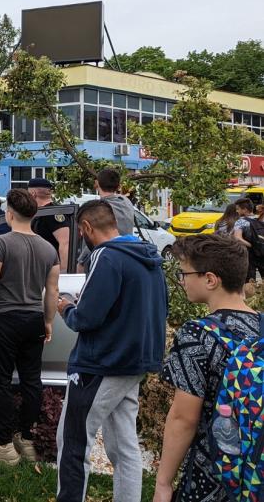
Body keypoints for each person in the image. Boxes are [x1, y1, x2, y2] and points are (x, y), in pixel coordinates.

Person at [55, 200, 168, 502]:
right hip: (135, 362)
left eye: (81, 231)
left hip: (101, 363)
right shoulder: (148, 256)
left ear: (88, 227)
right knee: (124, 446)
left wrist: (66, 307)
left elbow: (87, 318)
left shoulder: (106, 255)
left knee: (73, 440)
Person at [153, 234, 261, 502]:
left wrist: (164, 484)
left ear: (210, 280)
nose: (182, 280)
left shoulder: (197, 335)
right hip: (256, 469)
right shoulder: (261, 327)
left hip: (213, 471)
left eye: (185, 273)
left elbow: (184, 418)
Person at [0, 188, 60, 464]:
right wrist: (47, 321)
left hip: (4, 320)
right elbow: (53, 291)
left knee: (1, 382)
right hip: (33, 319)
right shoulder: (48, 248)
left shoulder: (2, 242)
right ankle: (28, 440)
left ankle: (3, 445)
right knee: (32, 380)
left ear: (9, 213)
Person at [77, 167, 136, 271]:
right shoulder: (126, 202)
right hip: (128, 256)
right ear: (118, 186)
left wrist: (82, 262)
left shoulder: (100, 209)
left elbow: (93, 240)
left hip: (102, 260)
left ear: (96, 184)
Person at [29, 177, 70, 263]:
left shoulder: (52, 213)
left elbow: (65, 243)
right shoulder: (42, 213)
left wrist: (64, 273)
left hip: (51, 268)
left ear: (33, 193)